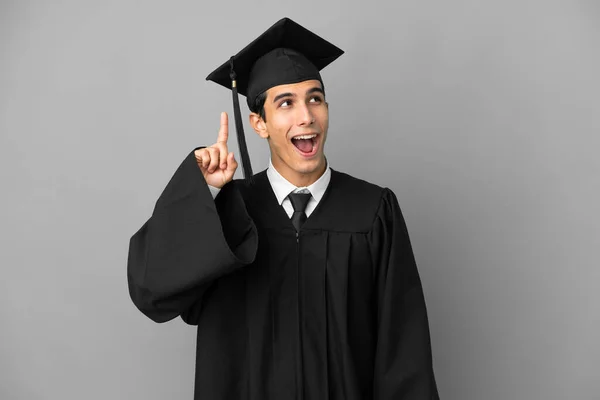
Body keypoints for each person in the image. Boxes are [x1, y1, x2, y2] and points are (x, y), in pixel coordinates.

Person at [127, 17, 439, 400]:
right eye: (286, 103)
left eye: (315, 98)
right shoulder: (227, 212)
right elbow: (151, 288)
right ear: (259, 123)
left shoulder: (373, 212)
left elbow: (403, 353)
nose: (306, 116)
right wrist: (203, 189)